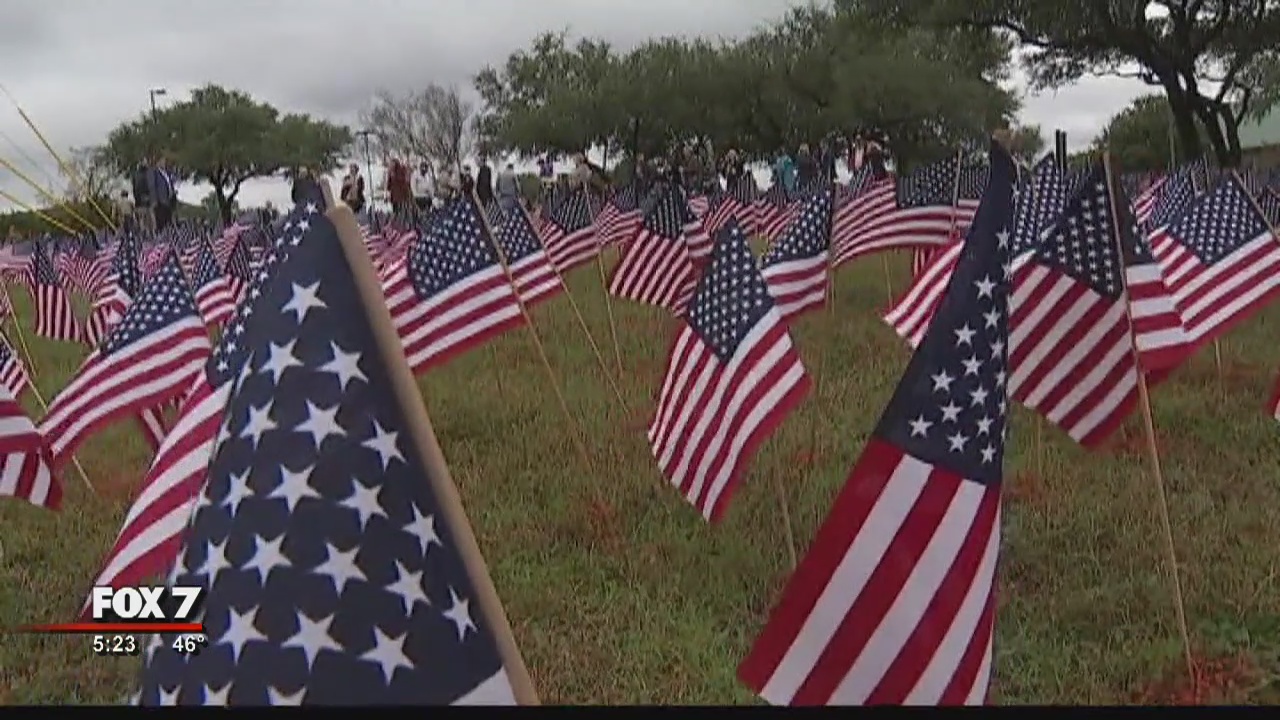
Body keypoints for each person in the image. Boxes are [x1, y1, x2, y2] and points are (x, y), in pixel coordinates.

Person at [149, 157, 178, 232]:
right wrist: (154, 201)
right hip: (160, 202)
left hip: (169, 201)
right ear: (158, 162)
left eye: (165, 161)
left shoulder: (167, 173)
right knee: (161, 224)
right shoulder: (154, 172)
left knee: (168, 224)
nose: (164, 163)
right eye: (163, 161)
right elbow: (152, 186)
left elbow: (170, 184)